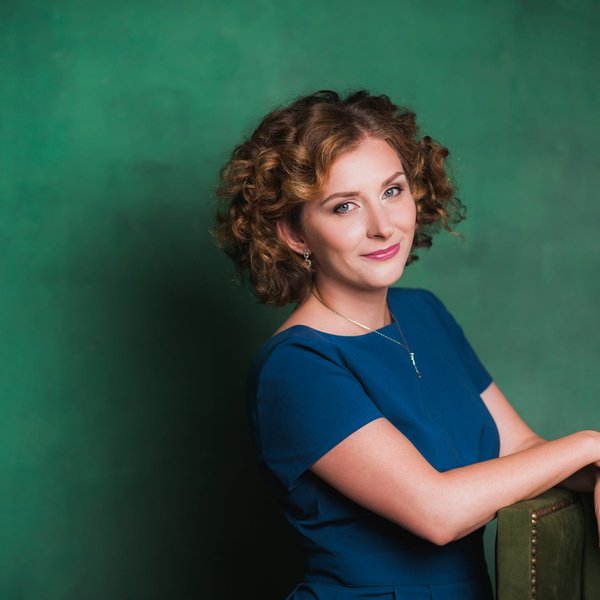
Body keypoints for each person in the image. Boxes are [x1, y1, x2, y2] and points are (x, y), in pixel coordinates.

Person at [214, 90, 600, 599]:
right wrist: (588, 445)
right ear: (294, 234)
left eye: (392, 191)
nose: (383, 226)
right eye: (345, 206)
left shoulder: (424, 314)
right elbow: (438, 513)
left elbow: (523, 449)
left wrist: (594, 472)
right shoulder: (294, 367)